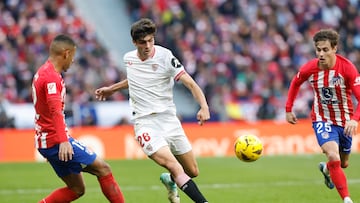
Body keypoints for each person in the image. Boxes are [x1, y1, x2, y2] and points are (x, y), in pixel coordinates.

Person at [95, 18, 209, 203]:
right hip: (145, 123)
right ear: (134, 42)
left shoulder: (166, 57)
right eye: (142, 42)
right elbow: (134, 80)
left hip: (169, 120)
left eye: (150, 40)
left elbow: (189, 82)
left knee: (192, 171)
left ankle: (170, 181)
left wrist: (203, 106)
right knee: (173, 165)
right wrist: (112, 89)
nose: (148, 45)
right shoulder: (129, 59)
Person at [31, 34, 125, 203]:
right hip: (56, 141)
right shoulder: (51, 77)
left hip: (48, 141)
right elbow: (55, 112)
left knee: (77, 189)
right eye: (73, 56)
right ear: (66, 53)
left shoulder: (43, 72)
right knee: (104, 169)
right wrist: (62, 141)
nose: (73, 61)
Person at [285, 29, 358, 203]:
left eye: (325, 49)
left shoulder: (347, 68)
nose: (321, 54)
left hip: (344, 120)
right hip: (322, 118)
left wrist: (355, 119)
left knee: (343, 163)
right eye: (318, 50)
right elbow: (295, 82)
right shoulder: (310, 68)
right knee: (333, 155)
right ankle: (347, 199)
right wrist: (288, 108)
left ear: (335, 48)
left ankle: (327, 170)